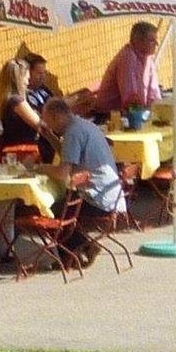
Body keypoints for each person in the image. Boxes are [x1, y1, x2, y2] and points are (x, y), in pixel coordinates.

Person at [41, 96, 124, 262]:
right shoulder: (83, 125)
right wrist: (50, 137)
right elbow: (70, 156)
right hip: (113, 197)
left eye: (48, 121)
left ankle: (72, 255)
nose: (48, 125)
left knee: (52, 210)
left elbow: (62, 173)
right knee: (64, 204)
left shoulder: (72, 133)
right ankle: (83, 248)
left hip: (98, 199)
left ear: (57, 117)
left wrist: (39, 168)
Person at [93, 21, 164, 118]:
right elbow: (130, 99)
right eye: (152, 40)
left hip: (131, 111)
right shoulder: (127, 58)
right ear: (138, 41)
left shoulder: (147, 57)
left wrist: (158, 109)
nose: (156, 43)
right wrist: (143, 118)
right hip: (109, 116)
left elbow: (154, 93)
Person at [0, 58, 44, 149]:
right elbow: (39, 124)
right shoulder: (17, 101)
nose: (28, 83)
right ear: (19, 79)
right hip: (23, 151)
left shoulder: (3, 99)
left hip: (9, 149)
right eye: (27, 79)